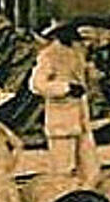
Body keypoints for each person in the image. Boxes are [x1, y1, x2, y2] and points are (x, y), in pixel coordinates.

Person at [29, 21, 99, 184]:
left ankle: (88, 197)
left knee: (90, 168)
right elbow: (36, 85)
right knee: (63, 169)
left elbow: (84, 76)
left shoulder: (77, 51)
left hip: (81, 118)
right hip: (61, 119)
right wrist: (65, 88)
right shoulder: (49, 55)